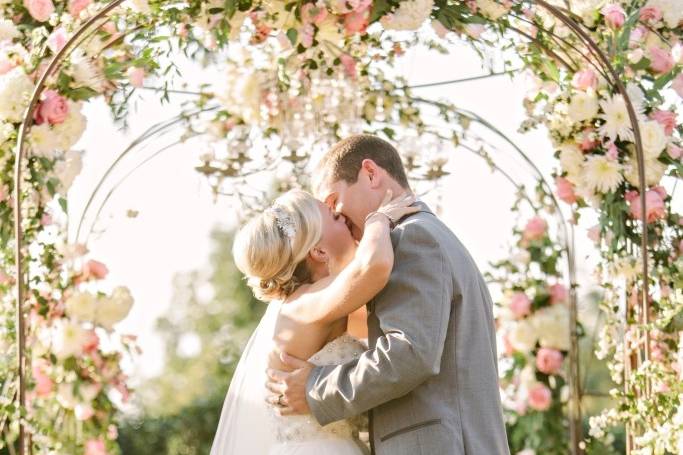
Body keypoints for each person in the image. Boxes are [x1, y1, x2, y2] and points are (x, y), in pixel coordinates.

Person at [265, 134, 510, 455]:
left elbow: (410, 352)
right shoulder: (431, 235)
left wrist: (316, 389)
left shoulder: (411, 238)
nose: (336, 215)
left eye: (333, 200)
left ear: (370, 173)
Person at [210, 186, 418, 454]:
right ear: (318, 252)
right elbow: (374, 267)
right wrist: (378, 219)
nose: (343, 217)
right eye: (334, 217)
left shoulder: (319, 307)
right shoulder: (301, 306)